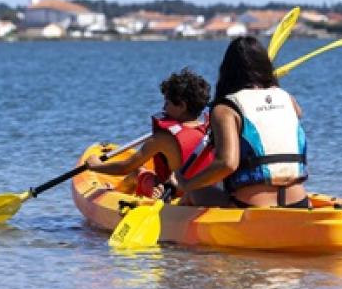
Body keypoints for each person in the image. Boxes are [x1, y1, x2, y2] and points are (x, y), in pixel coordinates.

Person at [166, 36, 309, 209]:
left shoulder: (225, 109)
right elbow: (283, 120)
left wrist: (187, 184)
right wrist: (272, 84)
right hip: (299, 201)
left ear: (227, 71)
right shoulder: (288, 99)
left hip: (253, 206)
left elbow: (227, 164)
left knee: (195, 192)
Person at [85, 68, 213, 199]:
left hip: (172, 193)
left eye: (167, 103)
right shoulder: (212, 129)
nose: (164, 108)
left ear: (182, 106)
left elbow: (126, 167)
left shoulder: (164, 138)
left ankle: (115, 192)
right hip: (204, 194)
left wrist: (96, 166)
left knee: (137, 172)